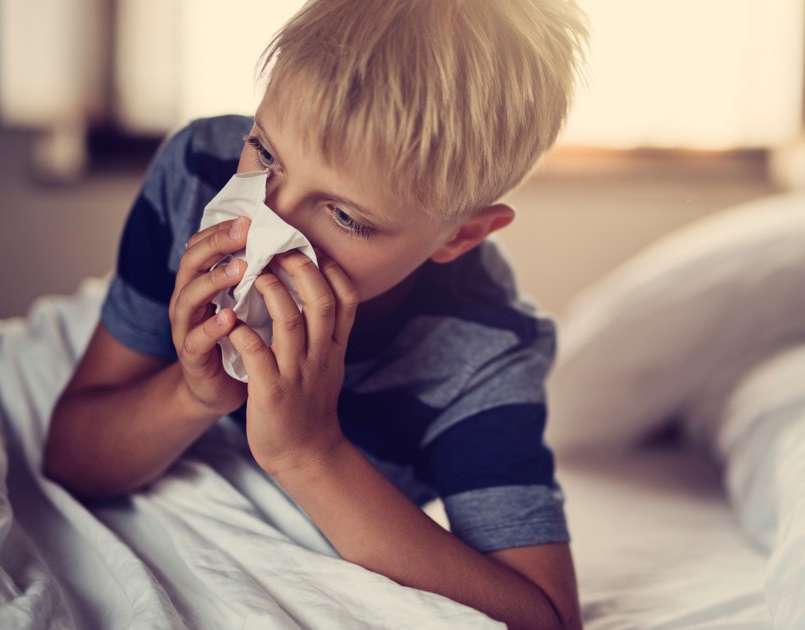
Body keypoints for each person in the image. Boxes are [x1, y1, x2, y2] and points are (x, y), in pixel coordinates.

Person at [43, 1, 588, 627]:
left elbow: (545, 618)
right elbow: (68, 458)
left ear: (459, 236)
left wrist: (310, 452)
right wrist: (193, 393)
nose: (266, 226)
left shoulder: (483, 353)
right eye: (266, 156)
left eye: (347, 217)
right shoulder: (197, 172)